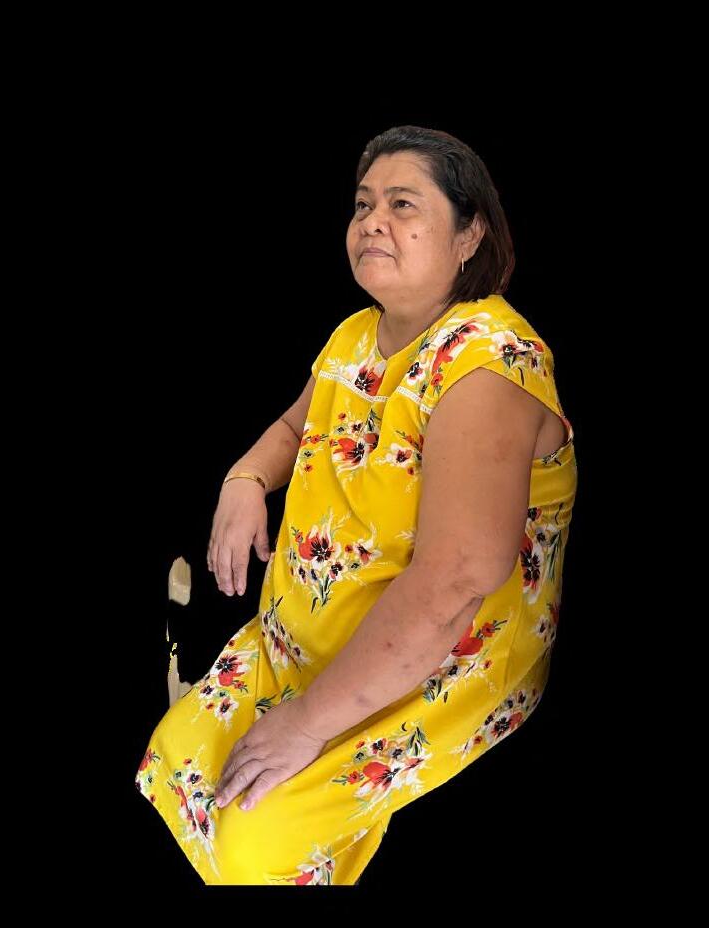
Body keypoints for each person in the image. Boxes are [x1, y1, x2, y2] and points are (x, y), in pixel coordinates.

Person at [134, 125, 578, 885]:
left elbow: (453, 584)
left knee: (251, 845)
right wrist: (245, 480)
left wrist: (305, 727)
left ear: (470, 234)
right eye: (363, 204)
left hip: (433, 664)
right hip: (303, 642)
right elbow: (292, 428)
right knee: (172, 761)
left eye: (403, 205)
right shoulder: (355, 336)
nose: (372, 221)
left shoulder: (489, 365)